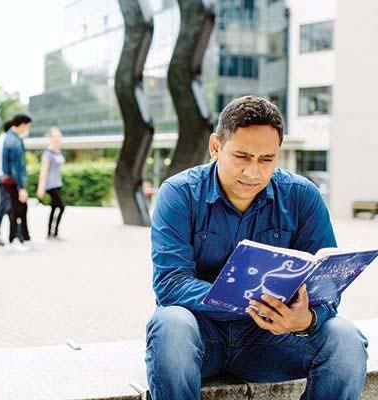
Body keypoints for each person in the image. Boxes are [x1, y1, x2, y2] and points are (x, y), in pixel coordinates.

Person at [146, 95, 368, 400]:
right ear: (215, 147)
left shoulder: (302, 196)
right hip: (201, 335)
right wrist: (244, 303)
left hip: (272, 339)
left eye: (267, 159)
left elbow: (326, 292)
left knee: (345, 338)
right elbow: (170, 285)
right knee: (170, 323)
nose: (254, 172)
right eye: (241, 156)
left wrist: (305, 320)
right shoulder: (179, 194)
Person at [1, 113, 32, 250]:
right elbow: (16, 167)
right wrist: (21, 187)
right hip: (14, 183)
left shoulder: (8, 138)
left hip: (10, 181)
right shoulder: (14, 141)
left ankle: (22, 238)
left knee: (18, 210)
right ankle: (14, 240)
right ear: (22, 124)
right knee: (16, 210)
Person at [37, 127, 66, 239]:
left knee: (54, 207)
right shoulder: (48, 153)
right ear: (50, 138)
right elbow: (43, 170)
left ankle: (51, 233)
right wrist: (41, 187)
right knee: (61, 207)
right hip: (50, 185)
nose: (57, 138)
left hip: (58, 183)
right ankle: (54, 232)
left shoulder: (58, 151)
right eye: (55, 136)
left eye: (59, 135)